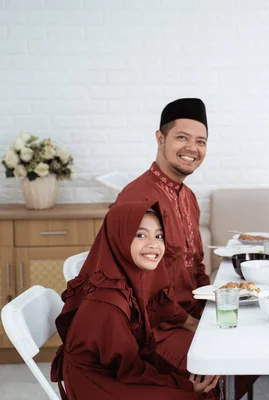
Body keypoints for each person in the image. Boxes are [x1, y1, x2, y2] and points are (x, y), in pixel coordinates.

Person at [50, 201, 219, 399]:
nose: (153, 244)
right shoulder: (108, 303)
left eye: (159, 235)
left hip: (117, 371)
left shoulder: (132, 279)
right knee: (195, 393)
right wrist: (183, 386)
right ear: (118, 238)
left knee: (201, 381)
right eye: (140, 235)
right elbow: (130, 370)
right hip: (98, 385)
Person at [115, 98, 211, 371]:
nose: (192, 148)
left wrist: (211, 308)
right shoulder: (139, 198)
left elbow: (196, 264)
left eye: (201, 141)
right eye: (182, 137)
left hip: (190, 314)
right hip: (154, 331)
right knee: (230, 367)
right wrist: (194, 324)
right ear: (161, 139)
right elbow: (136, 286)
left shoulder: (188, 196)